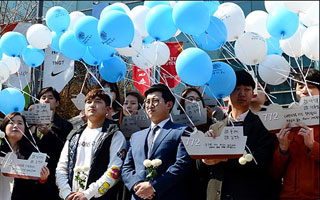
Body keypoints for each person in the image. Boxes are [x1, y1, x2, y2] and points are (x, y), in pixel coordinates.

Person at [199, 70, 277, 200]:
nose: (242, 94)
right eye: (236, 89)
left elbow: (262, 161)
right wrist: (204, 157)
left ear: (253, 93)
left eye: (247, 89)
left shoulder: (263, 126)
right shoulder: (214, 128)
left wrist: (223, 158)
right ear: (227, 94)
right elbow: (199, 167)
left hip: (249, 193)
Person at [122, 83, 194, 200]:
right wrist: (137, 185)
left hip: (167, 195)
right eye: (147, 101)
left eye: (155, 101)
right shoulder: (135, 137)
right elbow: (126, 168)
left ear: (169, 104)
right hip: (138, 196)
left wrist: (153, 186)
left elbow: (181, 165)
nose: (150, 105)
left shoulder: (182, 131)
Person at [56, 89, 127, 200]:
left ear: (108, 109)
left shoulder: (115, 135)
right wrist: (66, 193)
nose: (92, 105)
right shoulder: (74, 135)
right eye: (88, 102)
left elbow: (115, 169)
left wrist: (88, 194)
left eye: (98, 102)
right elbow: (61, 167)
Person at [271, 68, 320, 200]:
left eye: (311, 87)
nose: (305, 91)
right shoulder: (287, 120)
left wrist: (312, 146)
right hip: (289, 195)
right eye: (301, 86)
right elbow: (275, 173)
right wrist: (282, 150)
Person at [30, 87, 73, 199]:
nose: (46, 100)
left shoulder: (66, 126)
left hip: (52, 176)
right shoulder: (28, 122)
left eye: (51, 98)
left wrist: (49, 134)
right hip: (30, 174)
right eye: (43, 97)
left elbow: (66, 150)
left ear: (57, 103)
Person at [0, 112, 50, 200]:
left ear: (24, 129)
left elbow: (39, 189)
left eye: (20, 123)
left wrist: (43, 179)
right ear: (4, 127)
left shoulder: (33, 154)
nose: (15, 126)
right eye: (11, 122)